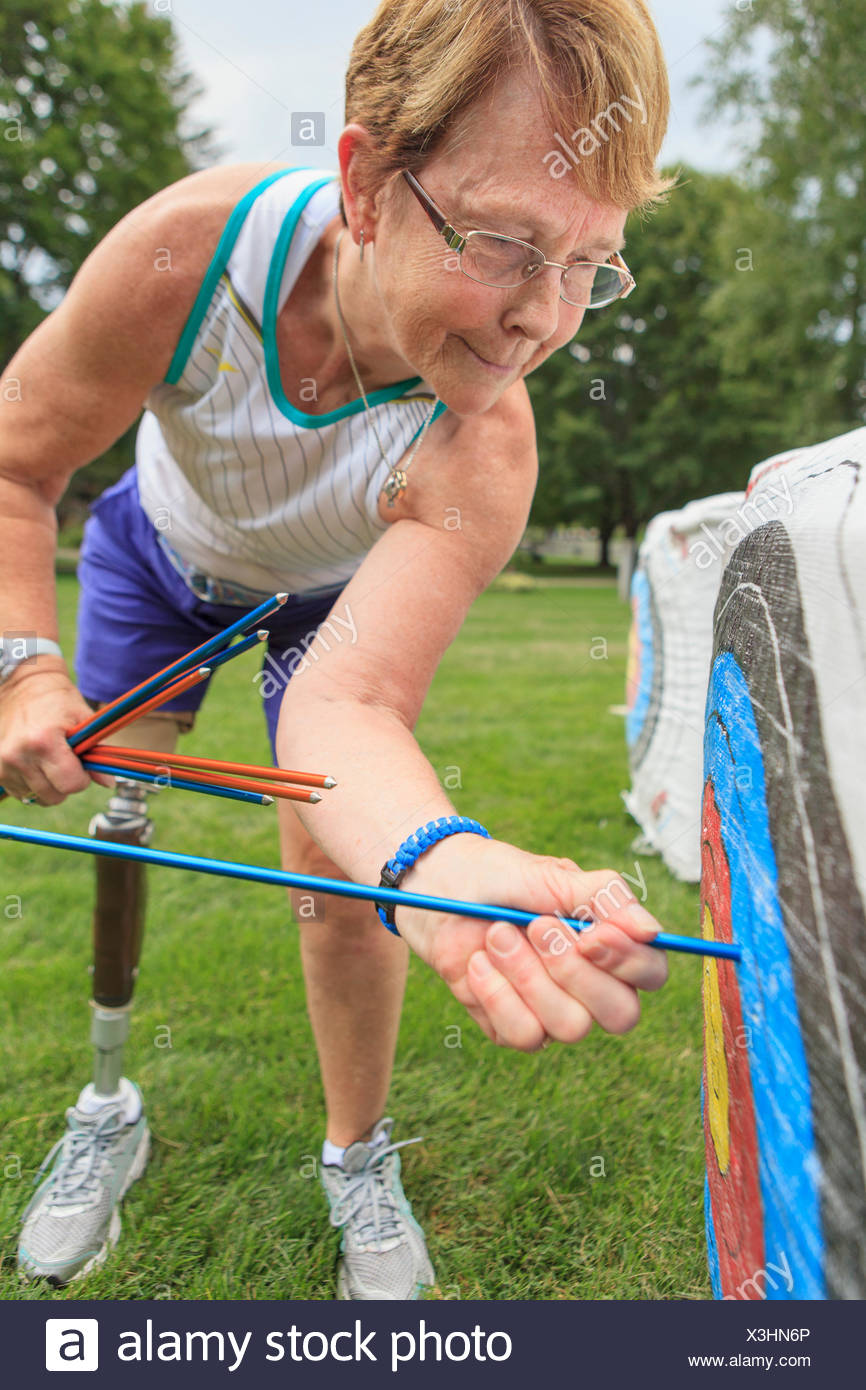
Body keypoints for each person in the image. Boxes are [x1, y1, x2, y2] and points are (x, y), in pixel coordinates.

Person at [0, 0, 674, 1300]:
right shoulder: (187, 257)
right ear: (365, 184)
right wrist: (27, 663)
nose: (542, 316)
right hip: (158, 554)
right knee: (116, 822)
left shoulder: (485, 446)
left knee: (340, 881)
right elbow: (19, 464)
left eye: (590, 263)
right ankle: (105, 1103)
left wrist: (437, 856)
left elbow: (346, 706)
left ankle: (355, 1151)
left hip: (327, 603)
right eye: (503, 242)